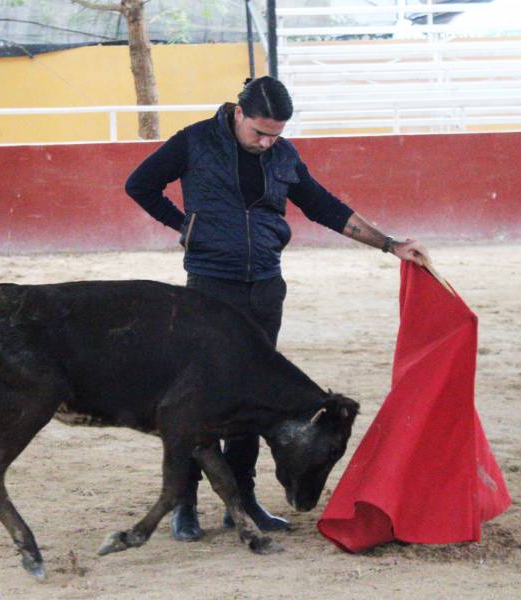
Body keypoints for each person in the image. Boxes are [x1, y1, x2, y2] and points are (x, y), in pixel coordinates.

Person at [124, 76, 430, 542]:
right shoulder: (195, 141)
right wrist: (182, 225)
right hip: (209, 289)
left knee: (251, 395)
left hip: (265, 288)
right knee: (194, 398)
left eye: (276, 134)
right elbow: (139, 184)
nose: (267, 143)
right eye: (260, 133)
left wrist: (390, 245)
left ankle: (241, 500)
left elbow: (324, 206)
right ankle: (183, 502)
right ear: (239, 114)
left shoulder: (284, 156)